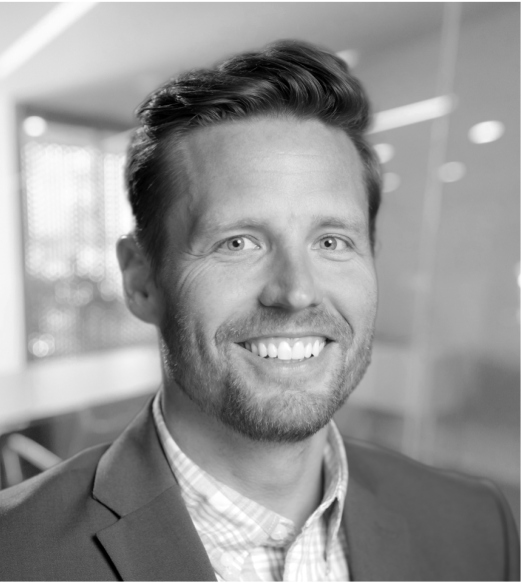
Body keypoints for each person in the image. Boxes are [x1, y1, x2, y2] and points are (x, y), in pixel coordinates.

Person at [0, 40, 518, 582]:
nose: (296, 292)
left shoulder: (476, 527)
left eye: (332, 242)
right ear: (141, 278)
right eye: (239, 243)